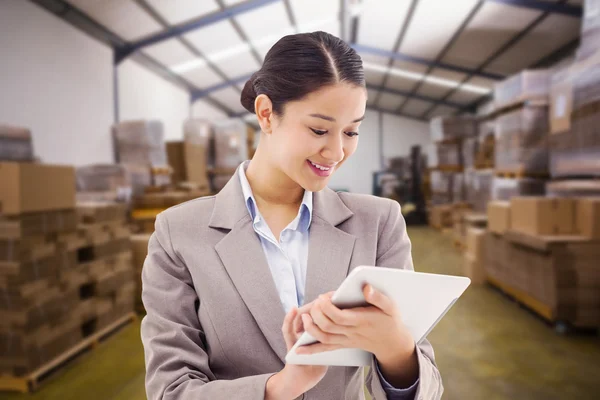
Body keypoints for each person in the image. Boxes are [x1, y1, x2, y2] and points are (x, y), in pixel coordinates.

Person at [141, 31, 443, 400]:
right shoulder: (179, 233)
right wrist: (281, 387)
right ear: (266, 113)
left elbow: (425, 388)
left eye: (351, 131)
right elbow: (169, 390)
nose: (336, 151)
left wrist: (395, 347)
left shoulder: (379, 223)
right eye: (319, 129)